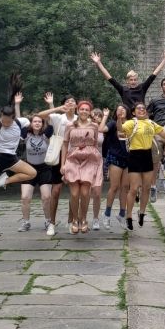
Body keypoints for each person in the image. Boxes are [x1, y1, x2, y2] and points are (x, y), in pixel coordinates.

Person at [120, 101, 165, 230]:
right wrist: (120, 119)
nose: (142, 110)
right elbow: (121, 131)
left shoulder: (151, 123)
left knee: (147, 187)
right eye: (139, 108)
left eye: (143, 108)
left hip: (147, 155)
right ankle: (129, 216)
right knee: (134, 188)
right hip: (135, 155)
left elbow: (164, 134)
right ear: (133, 112)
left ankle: (142, 212)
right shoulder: (131, 122)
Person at [0, 114, 53, 233]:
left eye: (39, 122)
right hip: (29, 168)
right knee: (25, 197)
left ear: (42, 124)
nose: (37, 123)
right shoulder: (26, 135)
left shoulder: (46, 135)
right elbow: (19, 122)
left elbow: (51, 119)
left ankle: (48, 221)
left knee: (46, 197)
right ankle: (26, 222)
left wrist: (50, 104)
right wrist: (17, 105)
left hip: (44, 169)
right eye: (35, 121)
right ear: (31, 124)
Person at [60, 100, 104, 235]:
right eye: (82, 109)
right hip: (73, 158)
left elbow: (95, 144)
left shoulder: (94, 126)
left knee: (85, 193)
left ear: (89, 112)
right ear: (78, 111)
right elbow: (65, 144)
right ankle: (74, 219)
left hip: (90, 159)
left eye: (86, 109)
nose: (84, 111)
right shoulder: (69, 126)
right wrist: (62, 164)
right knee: (74, 193)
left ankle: (83, 219)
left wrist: (97, 162)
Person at [37, 93, 77, 233]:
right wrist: (58, 108)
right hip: (59, 153)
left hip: (75, 155)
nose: (70, 103)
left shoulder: (79, 119)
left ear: (76, 105)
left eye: (73, 101)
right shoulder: (58, 117)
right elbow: (41, 115)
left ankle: (71, 222)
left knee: (74, 191)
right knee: (56, 190)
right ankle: (52, 223)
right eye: (67, 101)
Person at [89, 49, 165, 112]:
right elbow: (109, 78)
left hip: (140, 115)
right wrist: (99, 63)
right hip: (128, 117)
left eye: (135, 80)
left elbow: (153, 75)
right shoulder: (123, 90)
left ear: (137, 80)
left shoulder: (142, 88)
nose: (133, 81)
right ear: (127, 81)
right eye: (131, 80)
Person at [102, 104, 131, 230]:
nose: (121, 111)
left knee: (125, 188)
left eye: (124, 109)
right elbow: (101, 129)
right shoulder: (113, 124)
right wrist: (105, 116)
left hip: (129, 158)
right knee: (114, 187)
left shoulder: (131, 124)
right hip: (115, 157)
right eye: (119, 109)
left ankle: (122, 214)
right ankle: (107, 214)